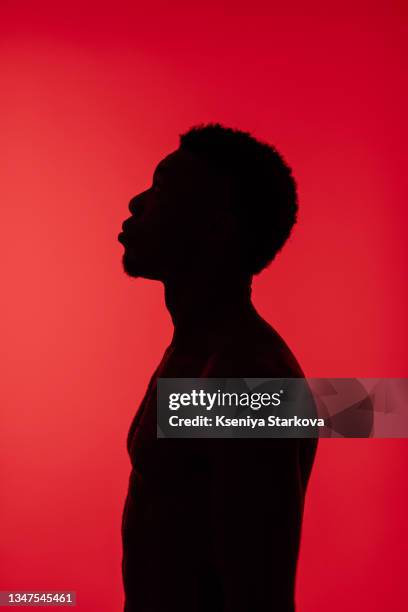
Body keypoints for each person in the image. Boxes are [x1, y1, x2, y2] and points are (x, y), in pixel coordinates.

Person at [118, 123, 318, 611]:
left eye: (162, 188)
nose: (136, 203)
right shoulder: (198, 354)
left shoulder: (243, 380)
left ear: (217, 228)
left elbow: (262, 597)